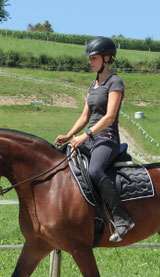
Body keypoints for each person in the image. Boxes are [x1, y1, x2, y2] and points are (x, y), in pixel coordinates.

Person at [55, 36, 134, 242]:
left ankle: (122, 218)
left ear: (107, 58)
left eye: (93, 58)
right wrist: (69, 135)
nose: (89, 62)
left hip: (107, 139)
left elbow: (109, 117)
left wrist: (85, 136)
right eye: (89, 58)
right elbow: (84, 117)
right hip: (89, 138)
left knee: (95, 170)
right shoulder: (94, 84)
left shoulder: (115, 82)